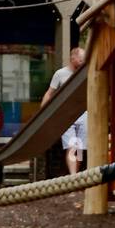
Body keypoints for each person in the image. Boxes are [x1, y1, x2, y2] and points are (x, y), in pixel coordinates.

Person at [41, 46, 86, 176]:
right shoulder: (60, 74)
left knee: (80, 149)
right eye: (81, 59)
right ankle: (73, 176)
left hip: (83, 115)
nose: (83, 61)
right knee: (72, 147)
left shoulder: (85, 73)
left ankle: (75, 175)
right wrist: (42, 112)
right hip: (66, 117)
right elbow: (49, 93)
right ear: (73, 58)